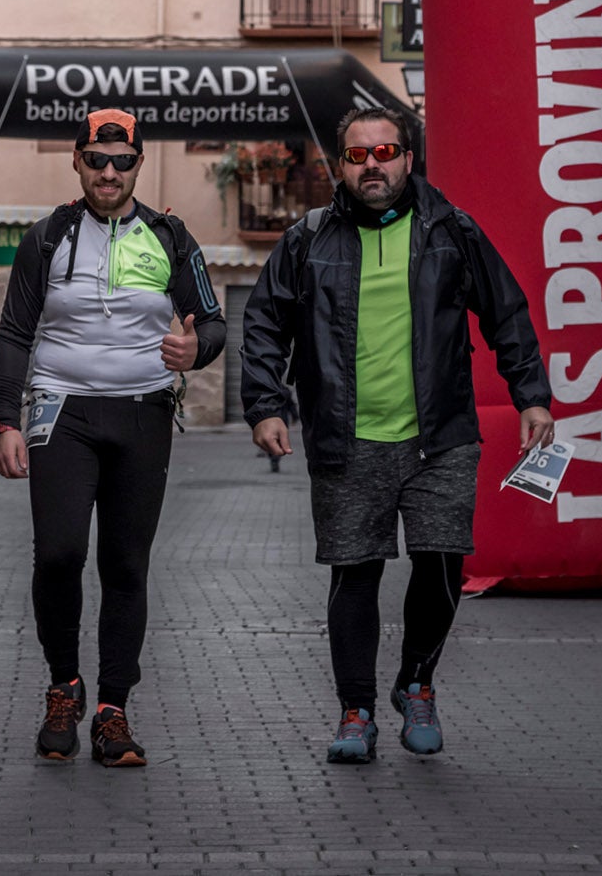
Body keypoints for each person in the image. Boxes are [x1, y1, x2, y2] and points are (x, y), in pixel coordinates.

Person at [241, 106, 554, 763]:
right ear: (341, 166)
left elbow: (507, 313)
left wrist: (532, 395)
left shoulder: (450, 231)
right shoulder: (307, 240)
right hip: (345, 439)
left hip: (439, 437)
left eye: (385, 152)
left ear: (409, 158)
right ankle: (356, 709)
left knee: (442, 562)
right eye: (358, 156)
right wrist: (266, 405)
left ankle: (416, 683)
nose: (373, 165)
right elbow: (264, 323)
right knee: (355, 574)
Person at [0, 108, 226, 767]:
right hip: (61, 413)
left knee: (125, 565)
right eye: (98, 160)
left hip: (143, 413)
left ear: (138, 164)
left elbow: (212, 322)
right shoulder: (46, 238)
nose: (110, 172)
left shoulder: (171, 236)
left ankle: (113, 709)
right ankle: (63, 684)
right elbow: (13, 332)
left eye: (122, 161)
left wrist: (193, 349)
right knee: (60, 551)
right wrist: (4, 419)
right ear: (78, 162)